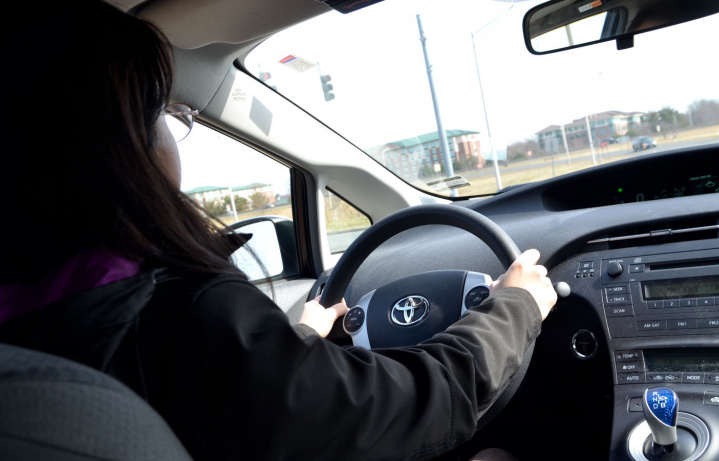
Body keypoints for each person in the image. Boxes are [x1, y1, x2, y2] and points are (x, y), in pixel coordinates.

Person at [0, 1, 557, 460]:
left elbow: (258, 404)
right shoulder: (179, 313)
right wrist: (516, 306)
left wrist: (301, 339)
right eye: (163, 113)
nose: (171, 134)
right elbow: (399, 406)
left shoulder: (45, 318)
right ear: (123, 147)